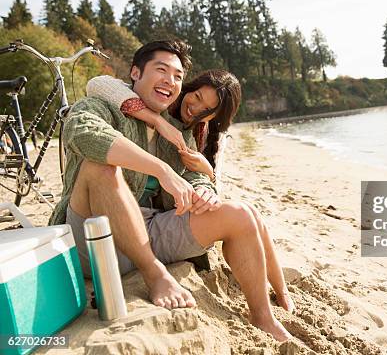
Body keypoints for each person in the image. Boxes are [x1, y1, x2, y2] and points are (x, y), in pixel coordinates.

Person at [49, 40, 291, 341]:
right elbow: (83, 133)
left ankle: (263, 316)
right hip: (91, 237)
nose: (170, 81)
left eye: (178, 76)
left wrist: (204, 189)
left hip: (149, 229)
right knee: (100, 166)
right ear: (135, 73)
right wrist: (161, 169)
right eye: (161, 71)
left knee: (240, 214)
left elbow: (194, 174)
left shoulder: (178, 131)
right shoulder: (99, 105)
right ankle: (154, 274)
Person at [86, 69, 295, 314]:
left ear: (215, 117)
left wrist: (208, 173)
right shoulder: (161, 100)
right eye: (196, 96)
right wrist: (159, 122)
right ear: (189, 87)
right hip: (122, 217)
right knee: (242, 213)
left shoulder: (197, 134)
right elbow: (98, 83)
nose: (195, 108)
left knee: (250, 212)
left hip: (160, 220)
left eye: (207, 109)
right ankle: (274, 300)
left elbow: (201, 183)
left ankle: (281, 292)